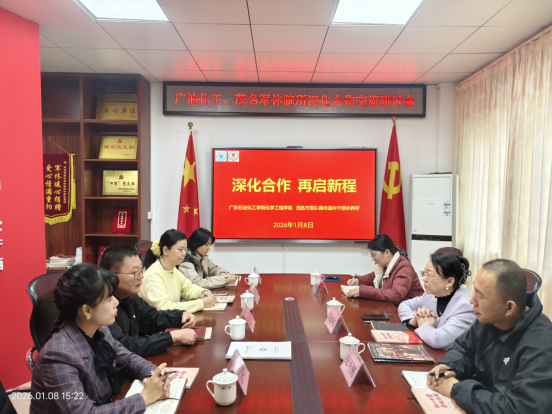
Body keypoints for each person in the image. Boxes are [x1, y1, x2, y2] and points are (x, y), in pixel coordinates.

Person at [30, 263, 172, 413]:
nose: (116, 302)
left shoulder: (98, 327)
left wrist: (154, 374)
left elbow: (125, 357)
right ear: (87, 310)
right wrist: (144, 398)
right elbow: (85, 412)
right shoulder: (58, 356)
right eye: (109, 298)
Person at [427, 259, 552, 414]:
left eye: (481, 296)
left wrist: (456, 389)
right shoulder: (489, 319)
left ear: (509, 307)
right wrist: (448, 367)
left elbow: (520, 408)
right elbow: (465, 350)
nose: (472, 301)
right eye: (474, 290)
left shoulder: (542, 344)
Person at [99, 244, 198, 358]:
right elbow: (123, 346)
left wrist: (180, 316)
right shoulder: (101, 305)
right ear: (111, 275)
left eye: (141, 270)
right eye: (134, 273)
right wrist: (172, 337)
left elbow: (152, 318)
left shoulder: (131, 297)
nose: (141, 276)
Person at [398, 252, 476, 350]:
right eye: (424, 273)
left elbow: (439, 340)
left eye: (430, 275)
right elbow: (405, 304)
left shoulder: (465, 306)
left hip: (449, 357)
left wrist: (424, 325)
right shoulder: (432, 295)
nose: (424, 278)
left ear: (449, 281)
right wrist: (413, 320)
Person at [140, 229, 217, 312]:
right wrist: (201, 303)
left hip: (173, 318)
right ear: (165, 250)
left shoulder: (172, 269)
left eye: (185, 249)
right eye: (180, 249)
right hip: (160, 320)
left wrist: (202, 292)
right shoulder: (153, 276)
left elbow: (187, 288)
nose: (184, 253)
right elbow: (165, 308)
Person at [346, 234, 424, 305]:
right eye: (372, 256)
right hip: (393, 308)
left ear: (387, 252)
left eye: (374, 255)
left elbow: (395, 295)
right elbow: (374, 276)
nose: (373, 259)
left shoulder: (404, 267)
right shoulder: (386, 264)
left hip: (413, 311)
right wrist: (358, 281)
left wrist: (363, 291)